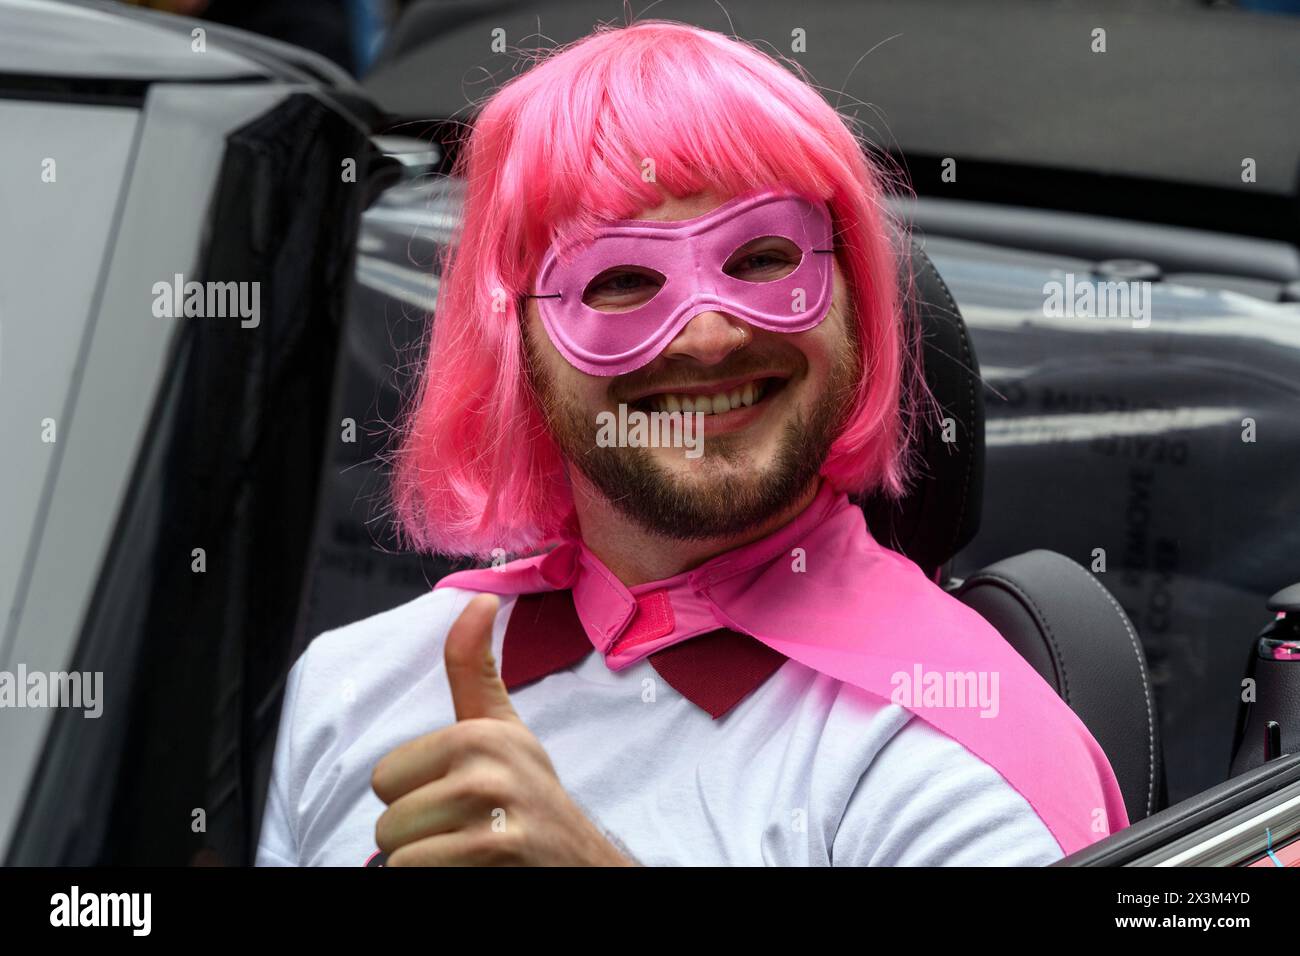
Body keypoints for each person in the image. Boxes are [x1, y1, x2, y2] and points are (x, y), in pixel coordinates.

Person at [255, 19, 1126, 867]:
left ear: (855, 296)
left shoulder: (951, 755)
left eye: (761, 260)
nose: (708, 336)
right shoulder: (346, 692)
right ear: (513, 344)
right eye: (623, 279)